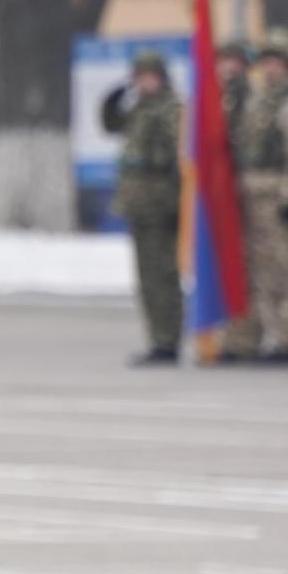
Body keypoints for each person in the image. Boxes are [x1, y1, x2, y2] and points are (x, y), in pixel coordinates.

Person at [226, 29, 288, 365]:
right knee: (254, 269)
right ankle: (251, 337)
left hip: (278, 193)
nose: (269, 69)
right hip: (251, 191)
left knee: (284, 269)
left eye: (276, 63)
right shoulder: (257, 101)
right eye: (265, 63)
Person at [102, 51, 183, 366]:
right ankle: (157, 338)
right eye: (138, 76)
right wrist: (114, 98)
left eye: (148, 76)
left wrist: (177, 202)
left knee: (163, 274)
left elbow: (179, 159)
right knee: (147, 276)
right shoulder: (138, 108)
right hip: (140, 203)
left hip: (162, 203)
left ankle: (168, 340)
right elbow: (110, 124)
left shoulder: (171, 109)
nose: (143, 82)